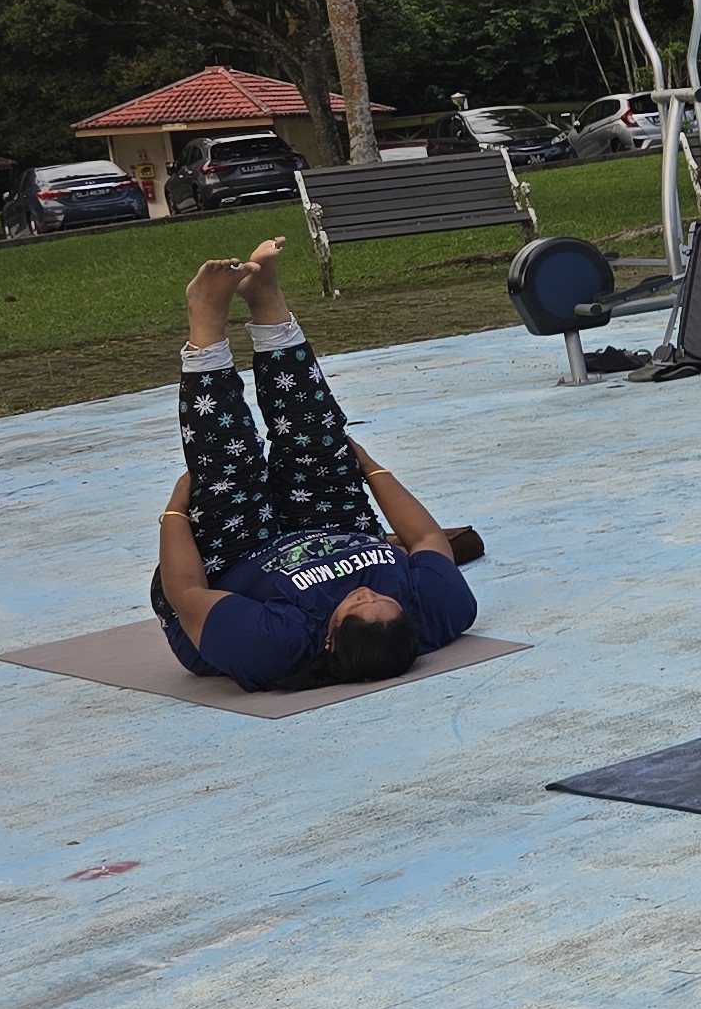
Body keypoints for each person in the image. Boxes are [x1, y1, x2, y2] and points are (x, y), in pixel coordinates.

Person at [151, 239, 480, 694]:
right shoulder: (442, 610)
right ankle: (266, 299)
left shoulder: (274, 644)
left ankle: (205, 319)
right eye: (384, 599)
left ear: (328, 639)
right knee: (319, 436)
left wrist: (175, 514)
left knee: (228, 465)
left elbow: (187, 594)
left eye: (357, 606)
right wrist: (370, 468)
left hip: (231, 565)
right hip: (331, 524)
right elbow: (425, 537)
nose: (366, 592)